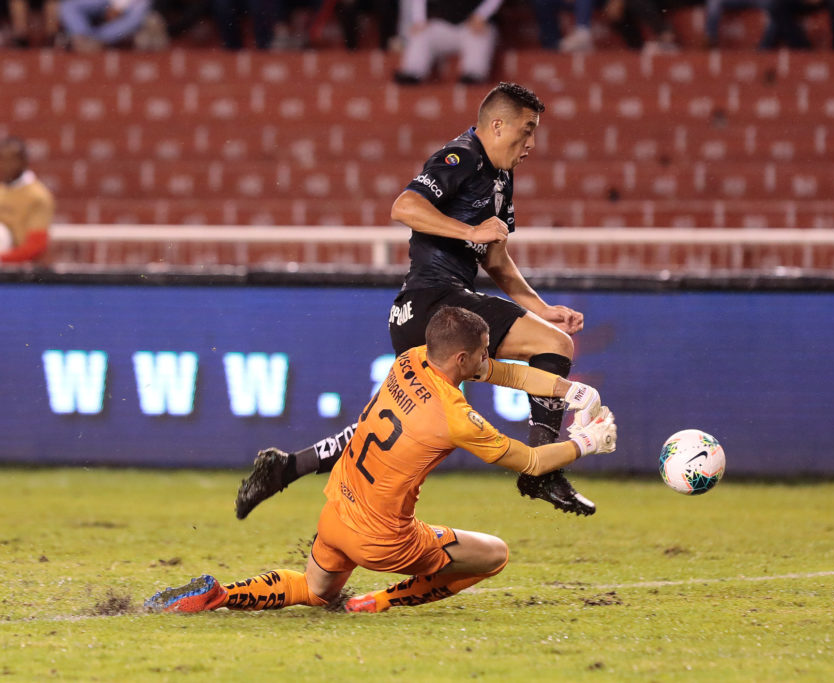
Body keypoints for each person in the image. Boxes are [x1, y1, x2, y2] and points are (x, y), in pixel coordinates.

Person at [234, 82, 599, 520]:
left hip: (419, 313)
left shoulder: (502, 176)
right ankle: (541, 468)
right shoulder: (462, 156)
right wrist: (470, 232)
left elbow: (497, 258)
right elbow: (404, 206)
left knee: (399, 426)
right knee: (555, 346)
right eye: (526, 131)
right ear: (496, 125)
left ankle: (287, 467)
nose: (531, 144)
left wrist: (542, 308)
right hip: (437, 303)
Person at [146, 307, 617, 615]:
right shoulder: (456, 418)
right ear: (460, 357)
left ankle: (219, 596)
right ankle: (378, 601)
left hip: (336, 512)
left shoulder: (410, 359)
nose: (488, 358)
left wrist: (565, 389)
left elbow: (497, 370)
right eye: (482, 351)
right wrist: (587, 441)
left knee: (313, 590)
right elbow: (533, 461)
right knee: (494, 554)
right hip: (385, 540)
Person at [393, 0, 503, 85]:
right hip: (444, 25)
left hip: (474, 26)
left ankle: (473, 74)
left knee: (479, 36)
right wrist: (419, 19)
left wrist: (482, 15)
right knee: (422, 34)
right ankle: (412, 73)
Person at [0, 136, 54, 264]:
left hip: (25, 273)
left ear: (23, 162)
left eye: (9, 160)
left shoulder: (37, 196)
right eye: (0, 159)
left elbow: (37, 244)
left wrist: (3, 258)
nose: (2, 165)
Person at [59, 0, 152, 52]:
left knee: (136, 18)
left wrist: (118, 6)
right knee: (68, 6)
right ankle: (83, 37)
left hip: (134, 4)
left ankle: (97, 40)